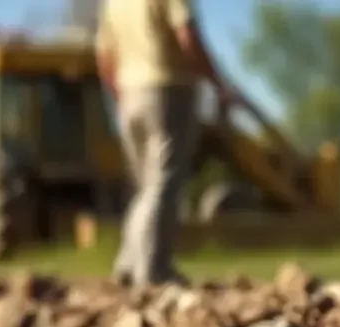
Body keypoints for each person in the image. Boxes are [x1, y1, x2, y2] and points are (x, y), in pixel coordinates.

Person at [95, 0, 240, 288]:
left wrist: (119, 93)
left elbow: (104, 55)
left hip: (128, 94)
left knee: (145, 185)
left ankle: (128, 263)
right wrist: (217, 82)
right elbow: (187, 37)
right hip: (167, 89)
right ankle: (153, 269)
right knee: (163, 182)